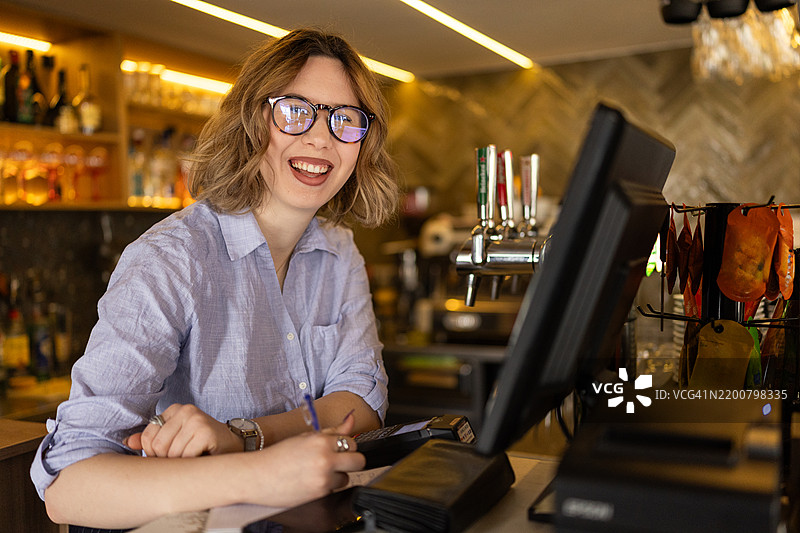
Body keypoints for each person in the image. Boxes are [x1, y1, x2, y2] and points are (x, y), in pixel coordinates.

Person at [31, 28, 399, 529]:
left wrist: (244, 436)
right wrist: (258, 470)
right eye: (295, 110)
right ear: (252, 121)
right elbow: (70, 484)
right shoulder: (172, 258)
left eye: (345, 119)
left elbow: (360, 403)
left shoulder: (338, 250)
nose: (320, 137)